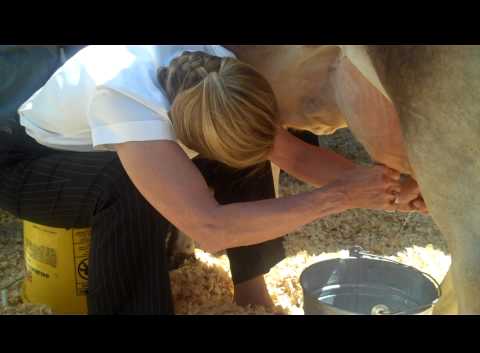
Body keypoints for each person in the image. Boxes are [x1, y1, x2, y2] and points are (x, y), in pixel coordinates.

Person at [0, 45, 420, 314]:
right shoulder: (125, 100)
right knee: (123, 189)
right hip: (26, 158)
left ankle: (251, 290)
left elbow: (294, 153)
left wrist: (394, 190)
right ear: (184, 131)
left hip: (145, 134)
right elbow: (210, 228)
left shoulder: (219, 72)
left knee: (246, 147)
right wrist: (339, 197)